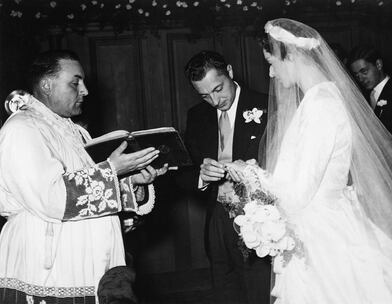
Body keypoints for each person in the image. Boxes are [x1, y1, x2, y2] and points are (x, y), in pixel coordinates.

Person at [226, 18, 392, 303]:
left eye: (271, 62)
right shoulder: (316, 101)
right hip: (316, 229)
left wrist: (249, 176)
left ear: (292, 55)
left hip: (324, 239)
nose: (272, 73)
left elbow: (298, 193)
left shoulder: (322, 106)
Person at [0, 50, 167, 303]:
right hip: (49, 267)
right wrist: (111, 170)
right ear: (46, 85)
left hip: (88, 263)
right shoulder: (22, 128)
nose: (85, 90)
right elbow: (52, 198)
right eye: (75, 83)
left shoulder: (74, 132)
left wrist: (131, 181)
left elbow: (89, 186)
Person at [175, 50, 271, 303]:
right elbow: (182, 173)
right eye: (205, 95)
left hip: (260, 216)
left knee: (259, 289)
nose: (215, 100)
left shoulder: (268, 105)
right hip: (216, 216)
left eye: (218, 89)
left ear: (230, 71)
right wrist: (201, 177)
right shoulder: (196, 116)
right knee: (225, 288)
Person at [349, 45, 392, 160]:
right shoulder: (363, 96)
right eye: (356, 75)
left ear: (378, 64)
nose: (361, 78)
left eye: (364, 71)